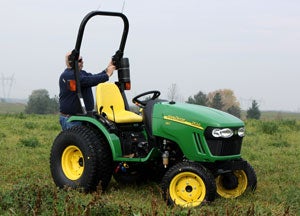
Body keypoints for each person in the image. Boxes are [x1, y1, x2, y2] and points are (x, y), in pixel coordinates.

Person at [59, 52, 115, 130]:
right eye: (80, 60)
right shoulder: (69, 75)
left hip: (81, 117)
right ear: (71, 62)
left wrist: (108, 68)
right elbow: (87, 81)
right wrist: (107, 75)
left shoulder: (81, 73)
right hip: (73, 119)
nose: (82, 62)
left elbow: (94, 77)